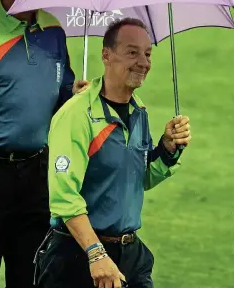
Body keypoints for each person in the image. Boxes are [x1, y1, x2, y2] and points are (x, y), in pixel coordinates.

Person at [35, 18, 192, 288]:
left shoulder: (138, 111)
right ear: (107, 55)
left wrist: (167, 150)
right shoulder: (76, 115)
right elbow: (64, 196)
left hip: (129, 255)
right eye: (132, 52)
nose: (143, 62)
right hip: (76, 257)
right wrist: (96, 254)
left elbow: (136, 179)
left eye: (147, 53)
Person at [0, 0, 88, 288]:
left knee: (31, 276)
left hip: (36, 176)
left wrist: (76, 97)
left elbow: (62, 98)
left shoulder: (52, 29)